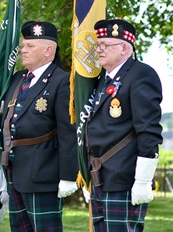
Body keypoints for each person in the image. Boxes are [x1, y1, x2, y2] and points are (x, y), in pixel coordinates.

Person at [0, 21, 78, 231]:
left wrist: (68, 176)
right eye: (23, 45)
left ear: (48, 50)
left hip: (43, 172)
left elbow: (68, 133)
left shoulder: (62, 81)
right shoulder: (18, 79)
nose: (23, 50)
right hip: (14, 169)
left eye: (30, 46)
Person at [85, 18, 162, 231]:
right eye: (98, 45)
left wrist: (143, 180)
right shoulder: (104, 79)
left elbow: (149, 131)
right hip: (102, 177)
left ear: (124, 48)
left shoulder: (141, 75)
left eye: (105, 45)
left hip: (126, 179)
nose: (99, 50)